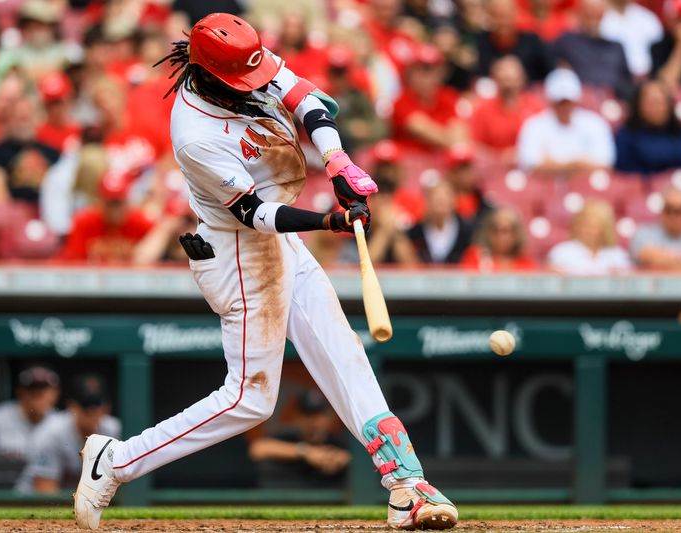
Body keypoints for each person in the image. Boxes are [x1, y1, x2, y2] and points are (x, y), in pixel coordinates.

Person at [72, 13, 458, 531]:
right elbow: (255, 213)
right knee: (250, 399)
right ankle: (114, 461)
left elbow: (306, 99)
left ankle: (405, 485)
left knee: (342, 350)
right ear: (208, 73)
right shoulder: (195, 135)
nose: (254, 84)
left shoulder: (242, 59)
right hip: (238, 252)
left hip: (282, 246)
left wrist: (338, 163)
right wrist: (329, 219)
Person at [17, 375, 121, 494]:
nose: (94, 411)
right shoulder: (50, 432)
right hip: (29, 502)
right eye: (87, 406)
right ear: (72, 407)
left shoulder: (114, 430)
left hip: (84, 502)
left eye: (98, 405)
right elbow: (44, 490)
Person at [516, 68, 615, 177]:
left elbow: (605, 164)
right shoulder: (534, 125)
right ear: (550, 101)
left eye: (568, 102)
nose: (564, 107)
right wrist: (579, 163)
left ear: (576, 100)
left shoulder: (595, 123)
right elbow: (530, 165)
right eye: (559, 102)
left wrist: (555, 165)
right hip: (545, 189)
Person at [249, 390, 350, 488]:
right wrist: (306, 452)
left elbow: (356, 457)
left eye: (318, 415)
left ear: (330, 417)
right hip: (291, 498)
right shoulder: (289, 437)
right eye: (307, 415)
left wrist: (344, 459)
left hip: (333, 501)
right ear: (297, 417)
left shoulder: (339, 441)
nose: (313, 422)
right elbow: (257, 448)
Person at [0, 94, 61, 206]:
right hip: (11, 212)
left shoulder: (53, 153)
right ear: (8, 120)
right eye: (20, 118)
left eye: (28, 117)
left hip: (47, 210)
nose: (25, 122)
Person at [59, 171, 155, 263]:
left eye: (118, 202)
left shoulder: (142, 223)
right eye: (110, 203)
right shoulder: (84, 222)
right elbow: (75, 263)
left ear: (127, 201)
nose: (114, 209)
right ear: (100, 201)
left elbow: (150, 265)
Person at [614, 80, 681, 175]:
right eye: (652, 103)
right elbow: (623, 175)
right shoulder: (626, 136)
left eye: (661, 103)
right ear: (639, 105)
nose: (657, 108)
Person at [391, 44, 464, 153]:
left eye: (431, 70)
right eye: (419, 70)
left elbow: (461, 132)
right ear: (409, 73)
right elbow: (425, 131)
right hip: (412, 160)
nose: (426, 78)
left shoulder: (448, 96)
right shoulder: (401, 101)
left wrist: (458, 144)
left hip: (444, 160)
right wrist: (454, 142)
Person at [554, 0, 633, 98]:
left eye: (597, 16)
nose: (593, 21)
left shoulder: (616, 47)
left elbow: (626, 82)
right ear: (580, 14)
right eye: (589, 15)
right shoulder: (566, 43)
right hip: (578, 101)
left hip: (612, 103)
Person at [469, 55, 542, 161]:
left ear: (522, 79)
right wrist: (499, 157)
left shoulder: (536, 107)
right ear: (495, 79)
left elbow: (546, 140)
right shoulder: (483, 110)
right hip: (494, 167)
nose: (508, 83)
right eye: (504, 79)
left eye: (511, 79)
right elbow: (476, 145)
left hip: (531, 166)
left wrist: (522, 154)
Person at [547, 200, 631, 274]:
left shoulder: (617, 254)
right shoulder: (562, 252)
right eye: (585, 225)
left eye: (594, 226)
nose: (589, 231)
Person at [476, 0, 551, 82]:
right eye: (497, 17)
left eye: (506, 17)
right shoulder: (481, 44)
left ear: (514, 15)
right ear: (489, 18)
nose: (503, 22)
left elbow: (549, 73)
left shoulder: (531, 42)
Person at [407, 178, 473, 264]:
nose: (440, 199)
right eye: (435, 196)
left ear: (454, 199)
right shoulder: (414, 233)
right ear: (426, 200)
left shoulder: (468, 230)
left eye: (445, 195)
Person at [599, 0, 663, 77]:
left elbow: (660, 53)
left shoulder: (648, 19)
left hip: (651, 78)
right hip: (614, 79)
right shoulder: (598, 19)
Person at [460, 208, 537, 271]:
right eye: (495, 230)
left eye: (505, 231)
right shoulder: (475, 257)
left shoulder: (526, 263)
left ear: (516, 235)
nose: (500, 236)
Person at [445, 145, 495, 231]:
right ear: (450, 173)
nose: (465, 174)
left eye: (468, 168)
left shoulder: (484, 203)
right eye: (460, 169)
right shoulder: (443, 204)